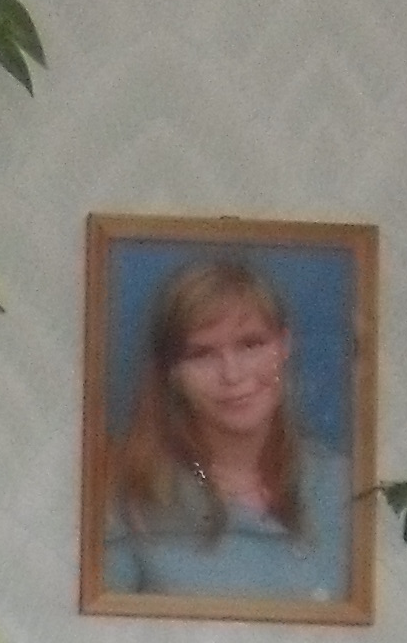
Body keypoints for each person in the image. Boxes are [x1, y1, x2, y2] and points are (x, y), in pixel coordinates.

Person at [100, 252, 351, 602]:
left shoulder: (347, 487)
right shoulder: (127, 504)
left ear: (284, 345)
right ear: (172, 373)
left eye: (250, 344)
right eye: (201, 354)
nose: (232, 375)